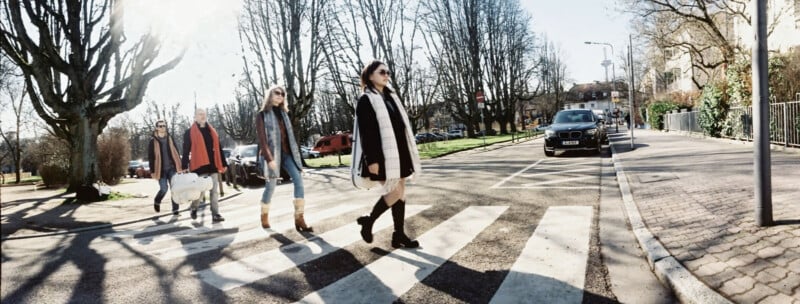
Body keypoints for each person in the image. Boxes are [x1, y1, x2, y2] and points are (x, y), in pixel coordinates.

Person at [351, 60, 422, 249]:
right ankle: (369, 221)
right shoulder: (366, 100)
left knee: (401, 193)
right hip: (381, 156)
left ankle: (398, 234)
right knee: (395, 192)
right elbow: (367, 133)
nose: (386, 75)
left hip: (399, 152)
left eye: (388, 72)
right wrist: (371, 160)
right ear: (370, 75)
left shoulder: (391, 97)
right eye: (382, 72)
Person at [256, 85, 312, 232]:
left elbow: (289, 137)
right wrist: (269, 159)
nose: (280, 96)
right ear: (270, 95)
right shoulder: (262, 115)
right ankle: (264, 215)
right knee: (271, 186)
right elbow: (262, 140)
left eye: (282, 94)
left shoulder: (284, 114)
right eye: (277, 93)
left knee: (298, 180)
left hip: (287, 154)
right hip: (273, 155)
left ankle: (299, 218)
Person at [181, 108, 228, 222]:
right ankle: (194, 208)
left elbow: (218, 148)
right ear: (195, 117)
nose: (202, 116)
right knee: (200, 192)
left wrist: (223, 162)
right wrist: (184, 166)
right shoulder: (189, 132)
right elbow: (186, 150)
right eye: (200, 114)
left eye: (204, 114)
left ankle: (215, 214)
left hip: (213, 165)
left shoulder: (211, 131)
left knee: (214, 191)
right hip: (199, 166)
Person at [148, 120, 183, 215]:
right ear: (156, 128)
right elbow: (151, 157)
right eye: (160, 126)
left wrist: (180, 165)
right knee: (164, 189)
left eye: (164, 126)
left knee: (174, 189)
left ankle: (175, 210)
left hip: (172, 168)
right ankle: (157, 200)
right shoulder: (153, 141)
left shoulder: (170, 139)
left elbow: (176, 151)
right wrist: (152, 171)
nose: (162, 127)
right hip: (161, 170)